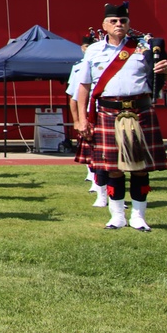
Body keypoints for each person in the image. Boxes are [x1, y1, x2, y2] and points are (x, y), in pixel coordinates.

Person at [76, 2, 167, 231]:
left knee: (140, 167)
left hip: (140, 111)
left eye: (123, 21)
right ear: (104, 25)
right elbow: (84, 86)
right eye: (114, 21)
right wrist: (81, 119)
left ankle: (139, 217)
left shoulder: (144, 47)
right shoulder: (93, 51)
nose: (119, 24)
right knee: (113, 168)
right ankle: (117, 216)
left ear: (129, 24)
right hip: (108, 112)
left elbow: (164, 75)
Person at [67, 32, 103, 205]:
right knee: (96, 152)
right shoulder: (79, 67)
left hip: (107, 110)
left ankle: (112, 192)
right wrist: (78, 119)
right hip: (91, 112)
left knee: (111, 157)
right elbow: (75, 95)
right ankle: (98, 185)